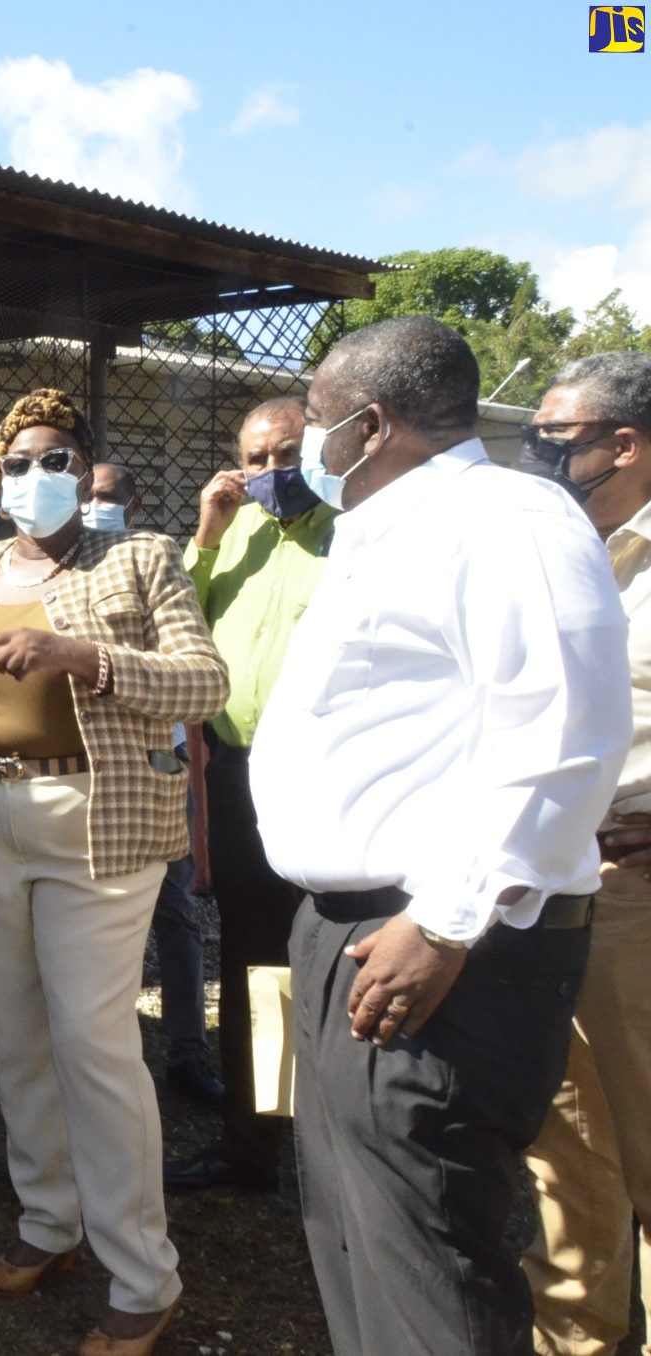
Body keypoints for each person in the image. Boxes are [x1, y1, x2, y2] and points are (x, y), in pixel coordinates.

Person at [249, 317, 631, 1356]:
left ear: (368, 426)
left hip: (438, 939)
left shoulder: (503, 518)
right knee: (354, 1233)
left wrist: (447, 920)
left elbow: (561, 732)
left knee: (427, 1262)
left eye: (315, 422)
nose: (302, 449)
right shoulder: (386, 528)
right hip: (353, 927)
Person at [0, 388, 227, 1356]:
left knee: (92, 1044)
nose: (33, 477)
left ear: (82, 473)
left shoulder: (139, 557)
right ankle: (49, 1222)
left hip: (93, 819)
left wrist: (79, 653)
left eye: (53, 461)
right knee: (15, 1036)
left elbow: (204, 682)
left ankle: (143, 1274)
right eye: (16, 463)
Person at [165, 396, 336, 1194]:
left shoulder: (362, 536)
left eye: (289, 453)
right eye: (256, 458)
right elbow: (178, 625)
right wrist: (205, 532)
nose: (273, 472)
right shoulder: (237, 534)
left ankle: (340, 1149)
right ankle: (254, 1142)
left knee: (339, 961)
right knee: (255, 962)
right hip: (240, 778)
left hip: (333, 784)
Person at [516, 352, 651, 1356]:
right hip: (540, 880)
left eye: (554, 444)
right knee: (563, 1143)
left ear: (624, 444)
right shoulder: (556, 552)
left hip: (631, 885)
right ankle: (580, 1339)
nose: (538, 462)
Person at [84, 462, 220, 1107]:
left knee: (173, 916)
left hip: (154, 769)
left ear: (133, 504)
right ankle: (105, 1052)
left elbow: (192, 673)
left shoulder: (153, 563)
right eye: (89, 496)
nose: (95, 506)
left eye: (108, 497)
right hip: (81, 776)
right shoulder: (61, 570)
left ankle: (188, 1052)